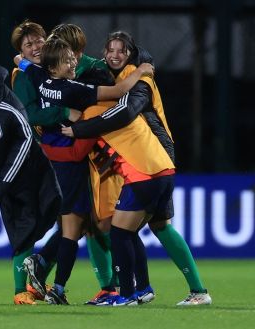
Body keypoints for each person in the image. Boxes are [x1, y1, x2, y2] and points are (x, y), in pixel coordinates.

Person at [50, 30, 211, 306]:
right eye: (109, 50)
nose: (114, 55)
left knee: (115, 225)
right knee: (151, 226)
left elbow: (125, 111)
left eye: (121, 51)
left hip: (149, 153)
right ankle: (176, 289)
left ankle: (123, 291)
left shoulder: (140, 76)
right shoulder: (115, 78)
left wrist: (78, 128)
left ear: (130, 53)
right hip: (143, 156)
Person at [18, 37, 154, 304]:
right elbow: (118, 91)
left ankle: (51, 276)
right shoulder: (73, 89)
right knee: (76, 229)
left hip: (52, 162)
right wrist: (140, 71)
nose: (73, 62)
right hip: (71, 163)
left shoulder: (39, 78)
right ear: (55, 67)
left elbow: (22, 63)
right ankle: (59, 285)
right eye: (67, 60)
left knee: (75, 227)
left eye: (73, 57)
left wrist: (25, 60)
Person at [0, 64, 62, 306]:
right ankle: (20, 290)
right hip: (17, 182)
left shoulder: (8, 109)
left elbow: (23, 145)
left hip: (29, 177)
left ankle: (33, 280)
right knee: (27, 230)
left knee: (48, 224)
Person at [8, 20, 66, 305]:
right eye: (27, 45)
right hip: (33, 159)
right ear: (21, 51)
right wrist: (66, 110)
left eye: (38, 41)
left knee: (75, 222)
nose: (35, 47)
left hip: (62, 155)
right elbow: (29, 116)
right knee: (30, 222)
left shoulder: (57, 70)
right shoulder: (22, 77)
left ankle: (107, 286)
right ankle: (21, 290)